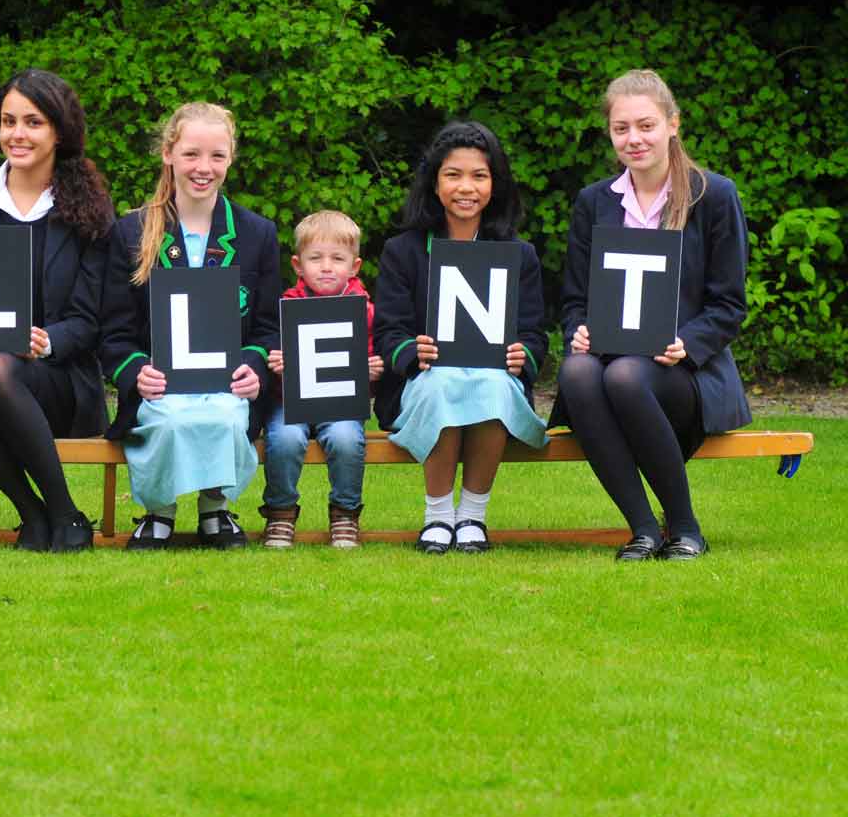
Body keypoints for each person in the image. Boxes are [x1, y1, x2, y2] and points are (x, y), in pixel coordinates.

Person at [553, 69, 750, 561]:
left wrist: (689, 342)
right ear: (610, 134)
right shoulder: (593, 202)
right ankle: (643, 530)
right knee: (577, 371)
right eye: (622, 128)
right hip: (611, 359)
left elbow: (729, 305)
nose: (634, 139)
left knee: (622, 376)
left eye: (645, 125)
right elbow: (575, 297)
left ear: (672, 124)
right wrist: (576, 330)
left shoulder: (713, 195)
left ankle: (685, 528)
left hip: (686, 370)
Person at [0, 69, 114, 552]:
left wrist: (47, 340)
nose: (17, 134)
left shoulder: (89, 204)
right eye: (8, 121)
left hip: (59, 380)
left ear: (58, 130)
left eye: (32, 122)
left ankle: (64, 512)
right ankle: (32, 514)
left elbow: (92, 319)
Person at [98, 102, 280, 550]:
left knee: (223, 417)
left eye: (217, 155)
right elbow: (113, 331)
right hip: (159, 387)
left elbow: (269, 327)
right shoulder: (130, 232)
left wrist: (253, 367)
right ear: (169, 154)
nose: (204, 168)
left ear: (231, 158)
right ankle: (158, 512)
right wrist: (136, 371)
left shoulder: (257, 234)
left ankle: (215, 510)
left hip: (227, 386)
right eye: (192, 154)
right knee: (172, 420)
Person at [373, 120, 547, 554]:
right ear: (434, 184)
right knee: (446, 383)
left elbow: (534, 334)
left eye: (479, 175)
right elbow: (388, 332)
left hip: (492, 382)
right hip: (422, 383)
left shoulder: (518, 255)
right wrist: (412, 351)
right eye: (453, 175)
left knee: (488, 384)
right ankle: (437, 517)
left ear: (495, 186)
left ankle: (471, 516)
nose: (465, 187)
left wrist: (521, 354)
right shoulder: (403, 251)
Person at [262, 210, 383, 549]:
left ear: (354, 266)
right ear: (299, 266)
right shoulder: (286, 306)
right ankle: (280, 512)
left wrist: (369, 372)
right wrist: (279, 363)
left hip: (340, 404)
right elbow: (271, 351)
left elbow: (370, 361)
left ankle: (345, 514)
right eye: (316, 259)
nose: (326, 267)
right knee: (285, 440)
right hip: (289, 401)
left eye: (337, 259)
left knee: (346, 439)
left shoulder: (364, 310)